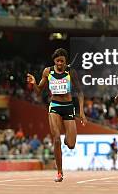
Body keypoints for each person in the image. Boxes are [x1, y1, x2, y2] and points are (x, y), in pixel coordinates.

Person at [26, 48, 87, 182]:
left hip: (68, 107)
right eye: (57, 61)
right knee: (56, 139)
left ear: (66, 61)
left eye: (62, 61)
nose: (60, 63)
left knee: (71, 145)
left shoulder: (71, 72)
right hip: (54, 107)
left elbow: (80, 93)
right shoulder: (48, 71)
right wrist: (33, 83)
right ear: (54, 61)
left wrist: (81, 112)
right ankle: (59, 172)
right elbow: (38, 91)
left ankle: (67, 139)